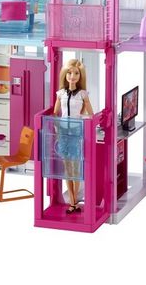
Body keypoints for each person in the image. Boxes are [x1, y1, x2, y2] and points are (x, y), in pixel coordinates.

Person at [53, 59, 94, 214]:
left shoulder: (83, 94)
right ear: (65, 74)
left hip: (76, 133)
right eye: (69, 73)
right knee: (67, 168)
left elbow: (91, 114)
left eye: (76, 73)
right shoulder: (61, 94)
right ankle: (72, 202)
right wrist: (57, 127)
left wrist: (86, 121)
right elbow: (55, 113)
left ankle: (74, 201)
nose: (72, 76)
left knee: (75, 168)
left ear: (80, 76)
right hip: (63, 133)